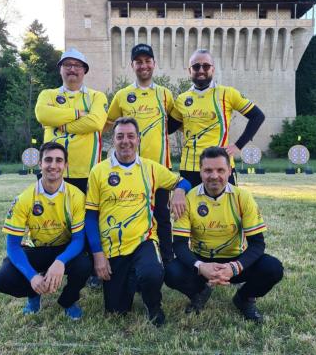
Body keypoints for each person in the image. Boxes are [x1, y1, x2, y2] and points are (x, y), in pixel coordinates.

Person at [85, 117, 192, 326]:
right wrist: (98, 255)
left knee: (152, 273)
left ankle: (153, 305)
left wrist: (179, 190)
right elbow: (90, 217)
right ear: (113, 140)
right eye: (120, 136)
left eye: (131, 136)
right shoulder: (98, 171)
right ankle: (131, 280)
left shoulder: (151, 168)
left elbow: (183, 181)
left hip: (144, 240)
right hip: (112, 248)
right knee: (116, 310)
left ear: (138, 139)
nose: (126, 141)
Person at [165, 147, 284, 323]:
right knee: (171, 272)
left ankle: (244, 298)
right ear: (200, 172)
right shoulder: (189, 199)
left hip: (235, 260)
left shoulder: (242, 197)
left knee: (273, 268)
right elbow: (180, 245)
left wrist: (234, 267)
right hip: (203, 261)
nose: (214, 176)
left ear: (229, 171)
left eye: (220, 170)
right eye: (208, 170)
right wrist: (200, 266)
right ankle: (199, 293)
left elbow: (257, 244)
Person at [0, 142, 91, 319]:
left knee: (85, 264)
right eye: (48, 160)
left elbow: (78, 240)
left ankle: (68, 300)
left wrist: (61, 261)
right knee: (3, 279)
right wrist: (32, 277)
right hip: (36, 249)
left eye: (59, 160)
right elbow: (13, 246)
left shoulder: (77, 196)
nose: (53, 165)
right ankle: (34, 294)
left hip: (65, 249)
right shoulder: (24, 198)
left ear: (65, 165)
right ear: (40, 164)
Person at [107, 44, 176, 263]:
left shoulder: (165, 94)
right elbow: (110, 123)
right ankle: (126, 260)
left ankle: (168, 261)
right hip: (131, 169)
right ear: (132, 66)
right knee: (129, 214)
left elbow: (175, 121)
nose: (143, 65)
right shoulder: (122, 95)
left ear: (154, 64)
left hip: (160, 169)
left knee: (163, 218)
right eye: (139, 62)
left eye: (147, 61)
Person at [169, 49, 265, 187]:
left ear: (212, 69)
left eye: (206, 66)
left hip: (221, 166)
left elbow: (257, 116)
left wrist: (238, 145)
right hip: (190, 166)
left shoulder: (228, 93)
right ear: (189, 71)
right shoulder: (182, 99)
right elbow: (169, 127)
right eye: (196, 66)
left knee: (225, 207)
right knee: (190, 208)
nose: (201, 70)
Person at [34, 48, 108, 194]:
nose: (72, 69)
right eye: (67, 65)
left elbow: (96, 123)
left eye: (77, 65)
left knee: (86, 216)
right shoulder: (47, 94)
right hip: (53, 171)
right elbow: (42, 114)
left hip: (87, 173)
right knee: (52, 216)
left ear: (84, 70)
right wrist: (77, 114)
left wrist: (59, 123)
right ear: (60, 69)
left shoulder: (97, 96)